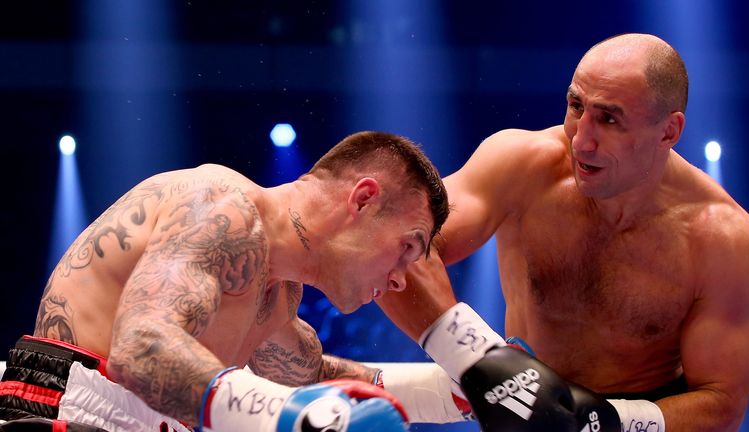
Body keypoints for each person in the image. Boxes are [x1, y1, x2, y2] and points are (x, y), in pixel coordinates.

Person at [377, 33, 749, 431]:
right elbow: (392, 245)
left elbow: (721, 404)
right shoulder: (521, 167)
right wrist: (480, 360)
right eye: (576, 106)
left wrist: (601, 422)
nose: (581, 140)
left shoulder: (721, 239)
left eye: (609, 118)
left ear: (669, 131)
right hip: (519, 410)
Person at [0, 131, 450, 432]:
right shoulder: (221, 206)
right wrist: (285, 416)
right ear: (364, 199)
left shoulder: (279, 293)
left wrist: (450, 390)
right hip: (64, 412)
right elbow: (140, 348)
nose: (400, 281)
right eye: (407, 247)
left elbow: (309, 378)